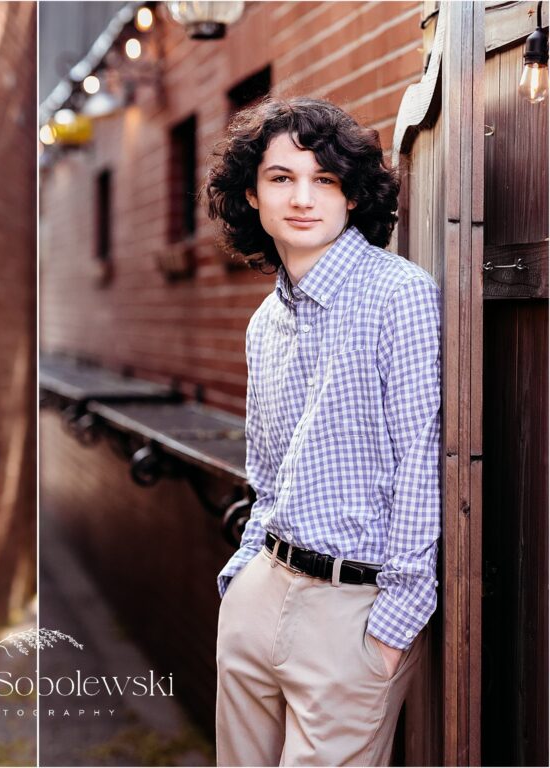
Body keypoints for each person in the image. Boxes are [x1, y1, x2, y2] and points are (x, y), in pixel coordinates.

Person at [203, 98, 441, 766]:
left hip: (355, 616)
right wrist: (242, 578)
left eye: (325, 180)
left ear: (353, 194)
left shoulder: (400, 294)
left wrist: (394, 623)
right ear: (251, 194)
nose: (303, 197)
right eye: (282, 178)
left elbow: (423, 460)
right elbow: (267, 473)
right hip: (262, 593)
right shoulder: (263, 324)